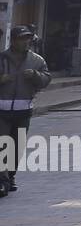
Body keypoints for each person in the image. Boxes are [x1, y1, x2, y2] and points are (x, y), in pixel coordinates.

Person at [0, 26, 52, 197]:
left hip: (23, 111)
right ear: (13, 40)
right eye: (22, 38)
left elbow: (46, 79)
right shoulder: (2, 58)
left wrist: (36, 76)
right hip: (2, 111)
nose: (26, 41)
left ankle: (11, 175)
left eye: (28, 38)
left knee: (17, 147)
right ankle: (2, 180)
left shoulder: (37, 60)